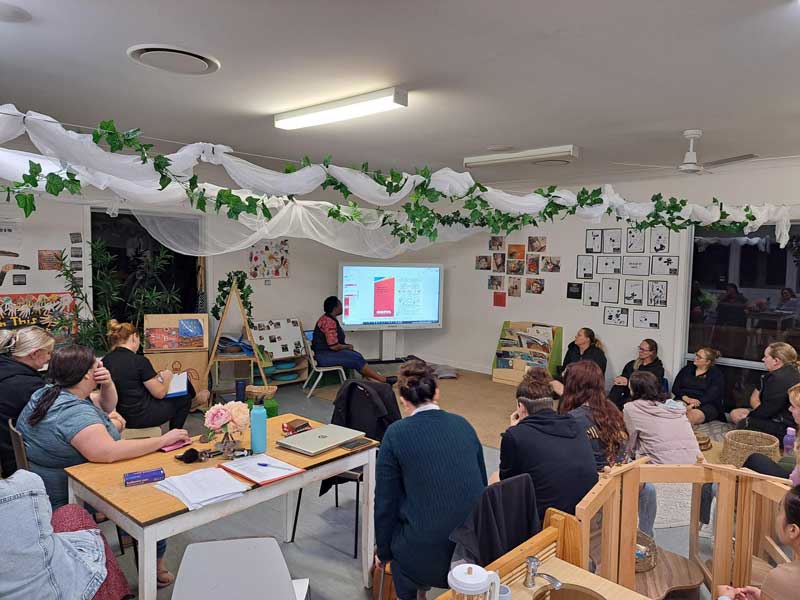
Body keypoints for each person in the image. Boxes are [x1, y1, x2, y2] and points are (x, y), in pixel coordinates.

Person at [18, 344, 190, 588]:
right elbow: (108, 452)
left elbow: (106, 406)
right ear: (88, 375)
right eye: (96, 366)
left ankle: (146, 555)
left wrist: (107, 385)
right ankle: (153, 562)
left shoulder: (48, 394)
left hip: (55, 479)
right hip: (71, 491)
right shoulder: (72, 413)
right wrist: (163, 439)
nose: (101, 367)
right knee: (152, 501)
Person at [374, 360, 486, 600]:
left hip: (424, 557)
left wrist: (383, 552)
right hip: (472, 551)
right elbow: (482, 485)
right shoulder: (463, 425)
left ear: (403, 400)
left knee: (404, 556)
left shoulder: (395, 434)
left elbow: (385, 503)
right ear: (436, 392)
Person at [0, 327, 122, 477]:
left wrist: (107, 385)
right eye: (49, 353)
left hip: (19, 457)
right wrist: (112, 423)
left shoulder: (13, 375)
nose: (49, 358)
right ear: (34, 354)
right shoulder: (32, 388)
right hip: (32, 467)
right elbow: (105, 449)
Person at [0, 469, 130, 600]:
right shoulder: (26, 485)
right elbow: (102, 454)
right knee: (72, 515)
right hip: (62, 589)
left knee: (66, 516)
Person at [493, 368, 598, 519]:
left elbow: (509, 483)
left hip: (547, 520)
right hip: (584, 510)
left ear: (521, 407)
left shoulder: (516, 435)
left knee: (493, 481)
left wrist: (513, 430)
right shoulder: (574, 423)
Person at [624, 371, 701, 537]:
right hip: (695, 460)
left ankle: (645, 534)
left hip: (661, 465)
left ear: (634, 389)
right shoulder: (677, 406)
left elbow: (632, 438)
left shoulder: (631, 408)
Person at [102, 320, 208, 429]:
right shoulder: (139, 361)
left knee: (182, 382)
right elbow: (160, 393)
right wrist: (166, 378)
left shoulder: (105, 361)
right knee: (184, 398)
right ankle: (176, 434)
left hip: (120, 416)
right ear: (134, 337)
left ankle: (194, 402)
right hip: (142, 416)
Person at [716, 485, 800, 600]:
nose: (777, 516)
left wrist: (724, 598)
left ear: (793, 530)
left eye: (780, 511)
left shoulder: (780, 578)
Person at [559, 361, 627, 470]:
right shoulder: (613, 411)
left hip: (594, 481)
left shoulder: (573, 419)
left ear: (572, 386)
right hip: (618, 477)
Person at [312, 297, 396, 385]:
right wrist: (348, 346)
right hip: (325, 356)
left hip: (324, 353)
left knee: (356, 356)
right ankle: (383, 380)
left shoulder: (326, 318)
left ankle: (375, 380)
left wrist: (347, 347)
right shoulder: (329, 322)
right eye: (340, 305)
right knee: (356, 358)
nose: (342, 307)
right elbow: (334, 346)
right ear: (335, 308)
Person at [730, 342, 800, 441]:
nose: (763, 359)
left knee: (744, 422)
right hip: (781, 418)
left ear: (776, 361)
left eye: (766, 357)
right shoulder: (791, 372)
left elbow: (768, 409)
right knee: (736, 413)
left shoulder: (779, 379)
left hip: (786, 426)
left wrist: (749, 418)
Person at [743, 382, 800, 482]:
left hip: (793, 487)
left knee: (755, 459)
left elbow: (794, 481)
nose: (789, 409)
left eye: (793, 406)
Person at [672, 347, 725, 425]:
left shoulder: (716, 374)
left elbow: (711, 396)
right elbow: (675, 388)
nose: (695, 358)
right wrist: (685, 398)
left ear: (707, 362)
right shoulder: (687, 369)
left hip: (706, 404)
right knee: (673, 413)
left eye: (699, 357)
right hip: (684, 398)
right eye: (696, 355)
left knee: (689, 417)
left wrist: (692, 405)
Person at [609, 339, 665, 409]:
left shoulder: (658, 369)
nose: (640, 351)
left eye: (643, 350)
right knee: (618, 385)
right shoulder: (632, 364)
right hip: (628, 394)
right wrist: (619, 379)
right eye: (639, 348)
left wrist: (629, 382)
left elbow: (651, 387)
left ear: (651, 352)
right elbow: (624, 376)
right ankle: (608, 406)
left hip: (644, 397)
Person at [551, 327, 607, 396]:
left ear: (587, 339)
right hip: (571, 380)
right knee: (549, 379)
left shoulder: (598, 354)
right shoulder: (572, 350)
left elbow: (598, 375)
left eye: (579, 335)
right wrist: (565, 372)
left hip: (588, 384)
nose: (576, 336)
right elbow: (565, 366)